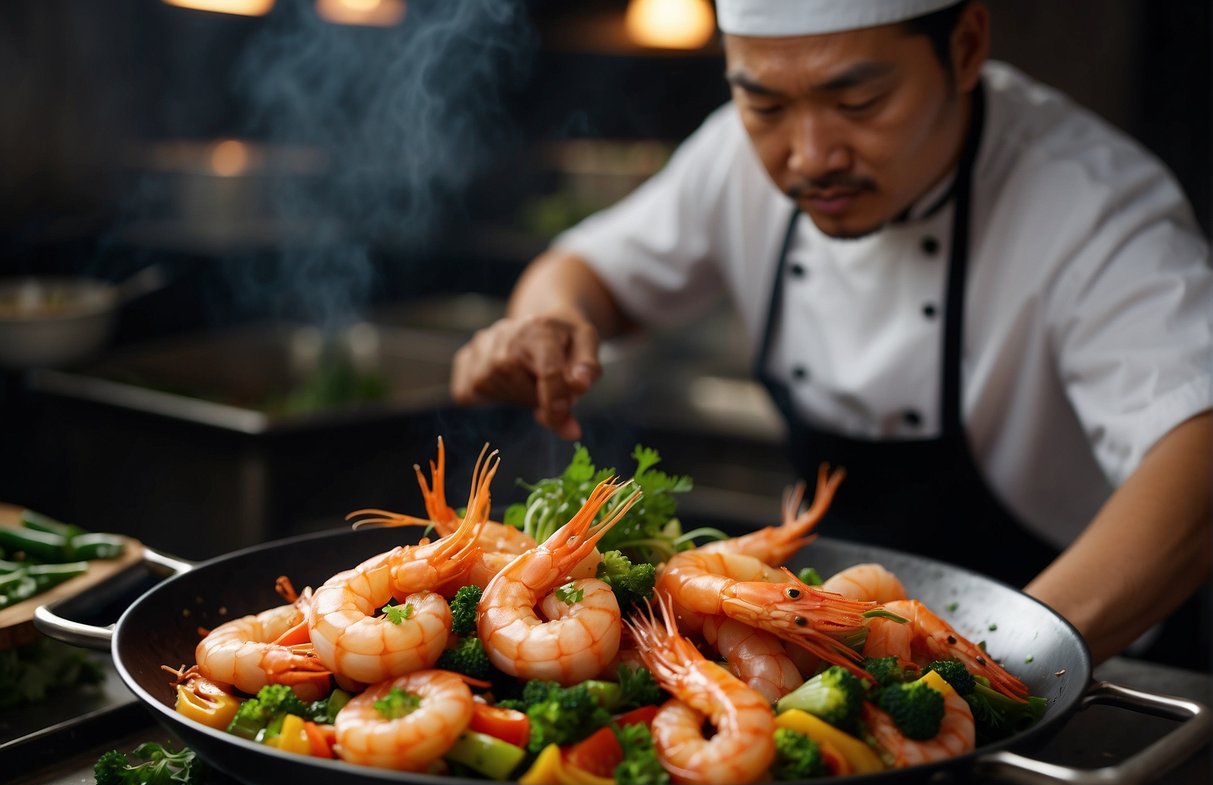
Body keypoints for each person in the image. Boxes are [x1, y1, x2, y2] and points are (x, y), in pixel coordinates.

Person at [450, 0, 1212, 666]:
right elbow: (584, 269)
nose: (810, 156)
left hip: (1080, 640)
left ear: (966, 48)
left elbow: (1198, 455)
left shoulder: (1089, 200)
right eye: (765, 106)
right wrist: (544, 324)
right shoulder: (733, 157)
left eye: (859, 102)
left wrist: (999, 666)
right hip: (821, 626)